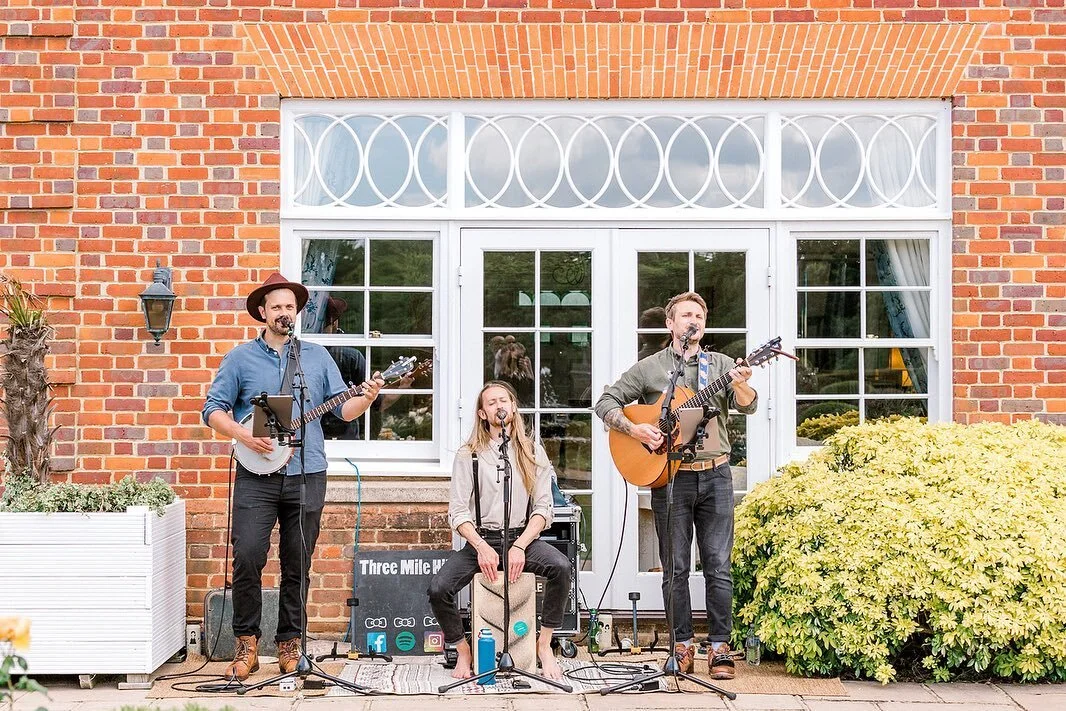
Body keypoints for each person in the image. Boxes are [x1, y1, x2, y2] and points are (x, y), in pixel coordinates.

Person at [202, 273, 384, 681]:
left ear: (297, 312)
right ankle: (246, 643)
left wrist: (367, 397)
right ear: (263, 313)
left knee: (298, 562)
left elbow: (344, 410)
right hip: (256, 474)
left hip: (308, 472)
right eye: (277, 307)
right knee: (248, 556)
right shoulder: (240, 358)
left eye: (290, 306)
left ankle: (290, 645)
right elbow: (212, 410)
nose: (285, 312)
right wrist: (244, 434)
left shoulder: (317, 358)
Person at [593, 291, 756, 681]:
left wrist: (743, 383)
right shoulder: (651, 368)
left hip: (715, 474)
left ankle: (719, 648)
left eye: (699, 314)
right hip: (670, 478)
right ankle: (681, 646)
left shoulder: (722, 365)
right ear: (671, 325)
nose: (693, 320)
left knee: (718, 566)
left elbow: (748, 405)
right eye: (686, 315)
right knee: (675, 568)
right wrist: (636, 428)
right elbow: (605, 402)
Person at [427, 381, 571, 681]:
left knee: (560, 567)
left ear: (514, 407)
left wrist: (520, 545)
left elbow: (544, 508)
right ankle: (463, 651)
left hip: (522, 537)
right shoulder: (469, 455)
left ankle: (543, 645)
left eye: (503, 400)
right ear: (482, 413)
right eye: (491, 403)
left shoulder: (531, 451)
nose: (499, 406)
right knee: (439, 588)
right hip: (483, 539)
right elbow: (457, 511)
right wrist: (480, 546)